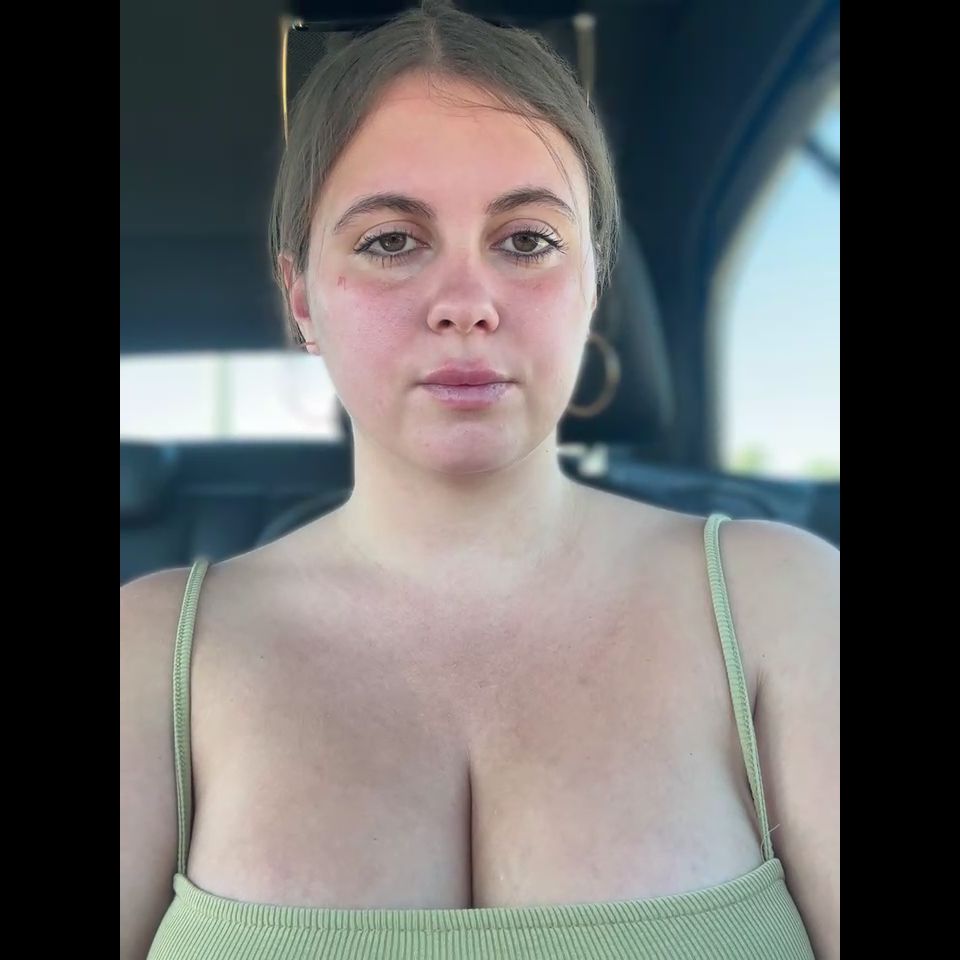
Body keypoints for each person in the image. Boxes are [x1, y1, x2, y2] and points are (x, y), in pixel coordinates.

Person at [120, 2, 839, 957]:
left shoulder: (786, 605)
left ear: (594, 283)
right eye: (390, 241)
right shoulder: (147, 654)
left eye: (527, 240)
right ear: (302, 300)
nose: (466, 303)